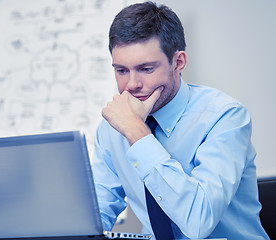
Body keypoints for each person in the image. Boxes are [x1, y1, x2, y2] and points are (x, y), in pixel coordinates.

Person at [91, 1, 269, 240]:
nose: (132, 85)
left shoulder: (226, 117)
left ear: (178, 62)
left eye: (145, 69)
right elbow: (97, 212)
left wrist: (136, 131)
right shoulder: (111, 128)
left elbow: (198, 222)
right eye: (121, 70)